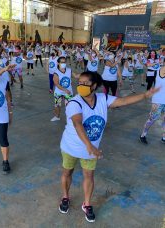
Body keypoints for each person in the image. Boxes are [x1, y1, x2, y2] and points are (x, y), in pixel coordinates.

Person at [58, 71, 159, 223]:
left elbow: (123, 101)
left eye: (85, 83)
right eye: (80, 83)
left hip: (92, 149)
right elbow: (77, 124)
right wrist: (89, 146)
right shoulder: (74, 102)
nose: (81, 86)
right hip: (71, 147)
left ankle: (87, 203)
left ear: (95, 86)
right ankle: (65, 197)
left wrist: (144, 96)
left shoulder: (103, 99)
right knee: (67, 172)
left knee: (89, 176)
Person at [140, 65, 165, 144]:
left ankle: (164, 137)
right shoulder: (160, 69)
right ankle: (143, 135)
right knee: (152, 119)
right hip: (158, 100)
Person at [50, 56, 79, 122]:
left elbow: (76, 76)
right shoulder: (56, 73)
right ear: (58, 63)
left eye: (64, 62)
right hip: (59, 92)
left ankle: (69, 118)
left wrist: (85, 74)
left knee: (69, 106)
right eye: (62, 62)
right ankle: (57, 116)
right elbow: (56, 84)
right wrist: (65, 90)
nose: (64, 63)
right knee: (57, 105)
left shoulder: (69, 70)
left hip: (68, 92)